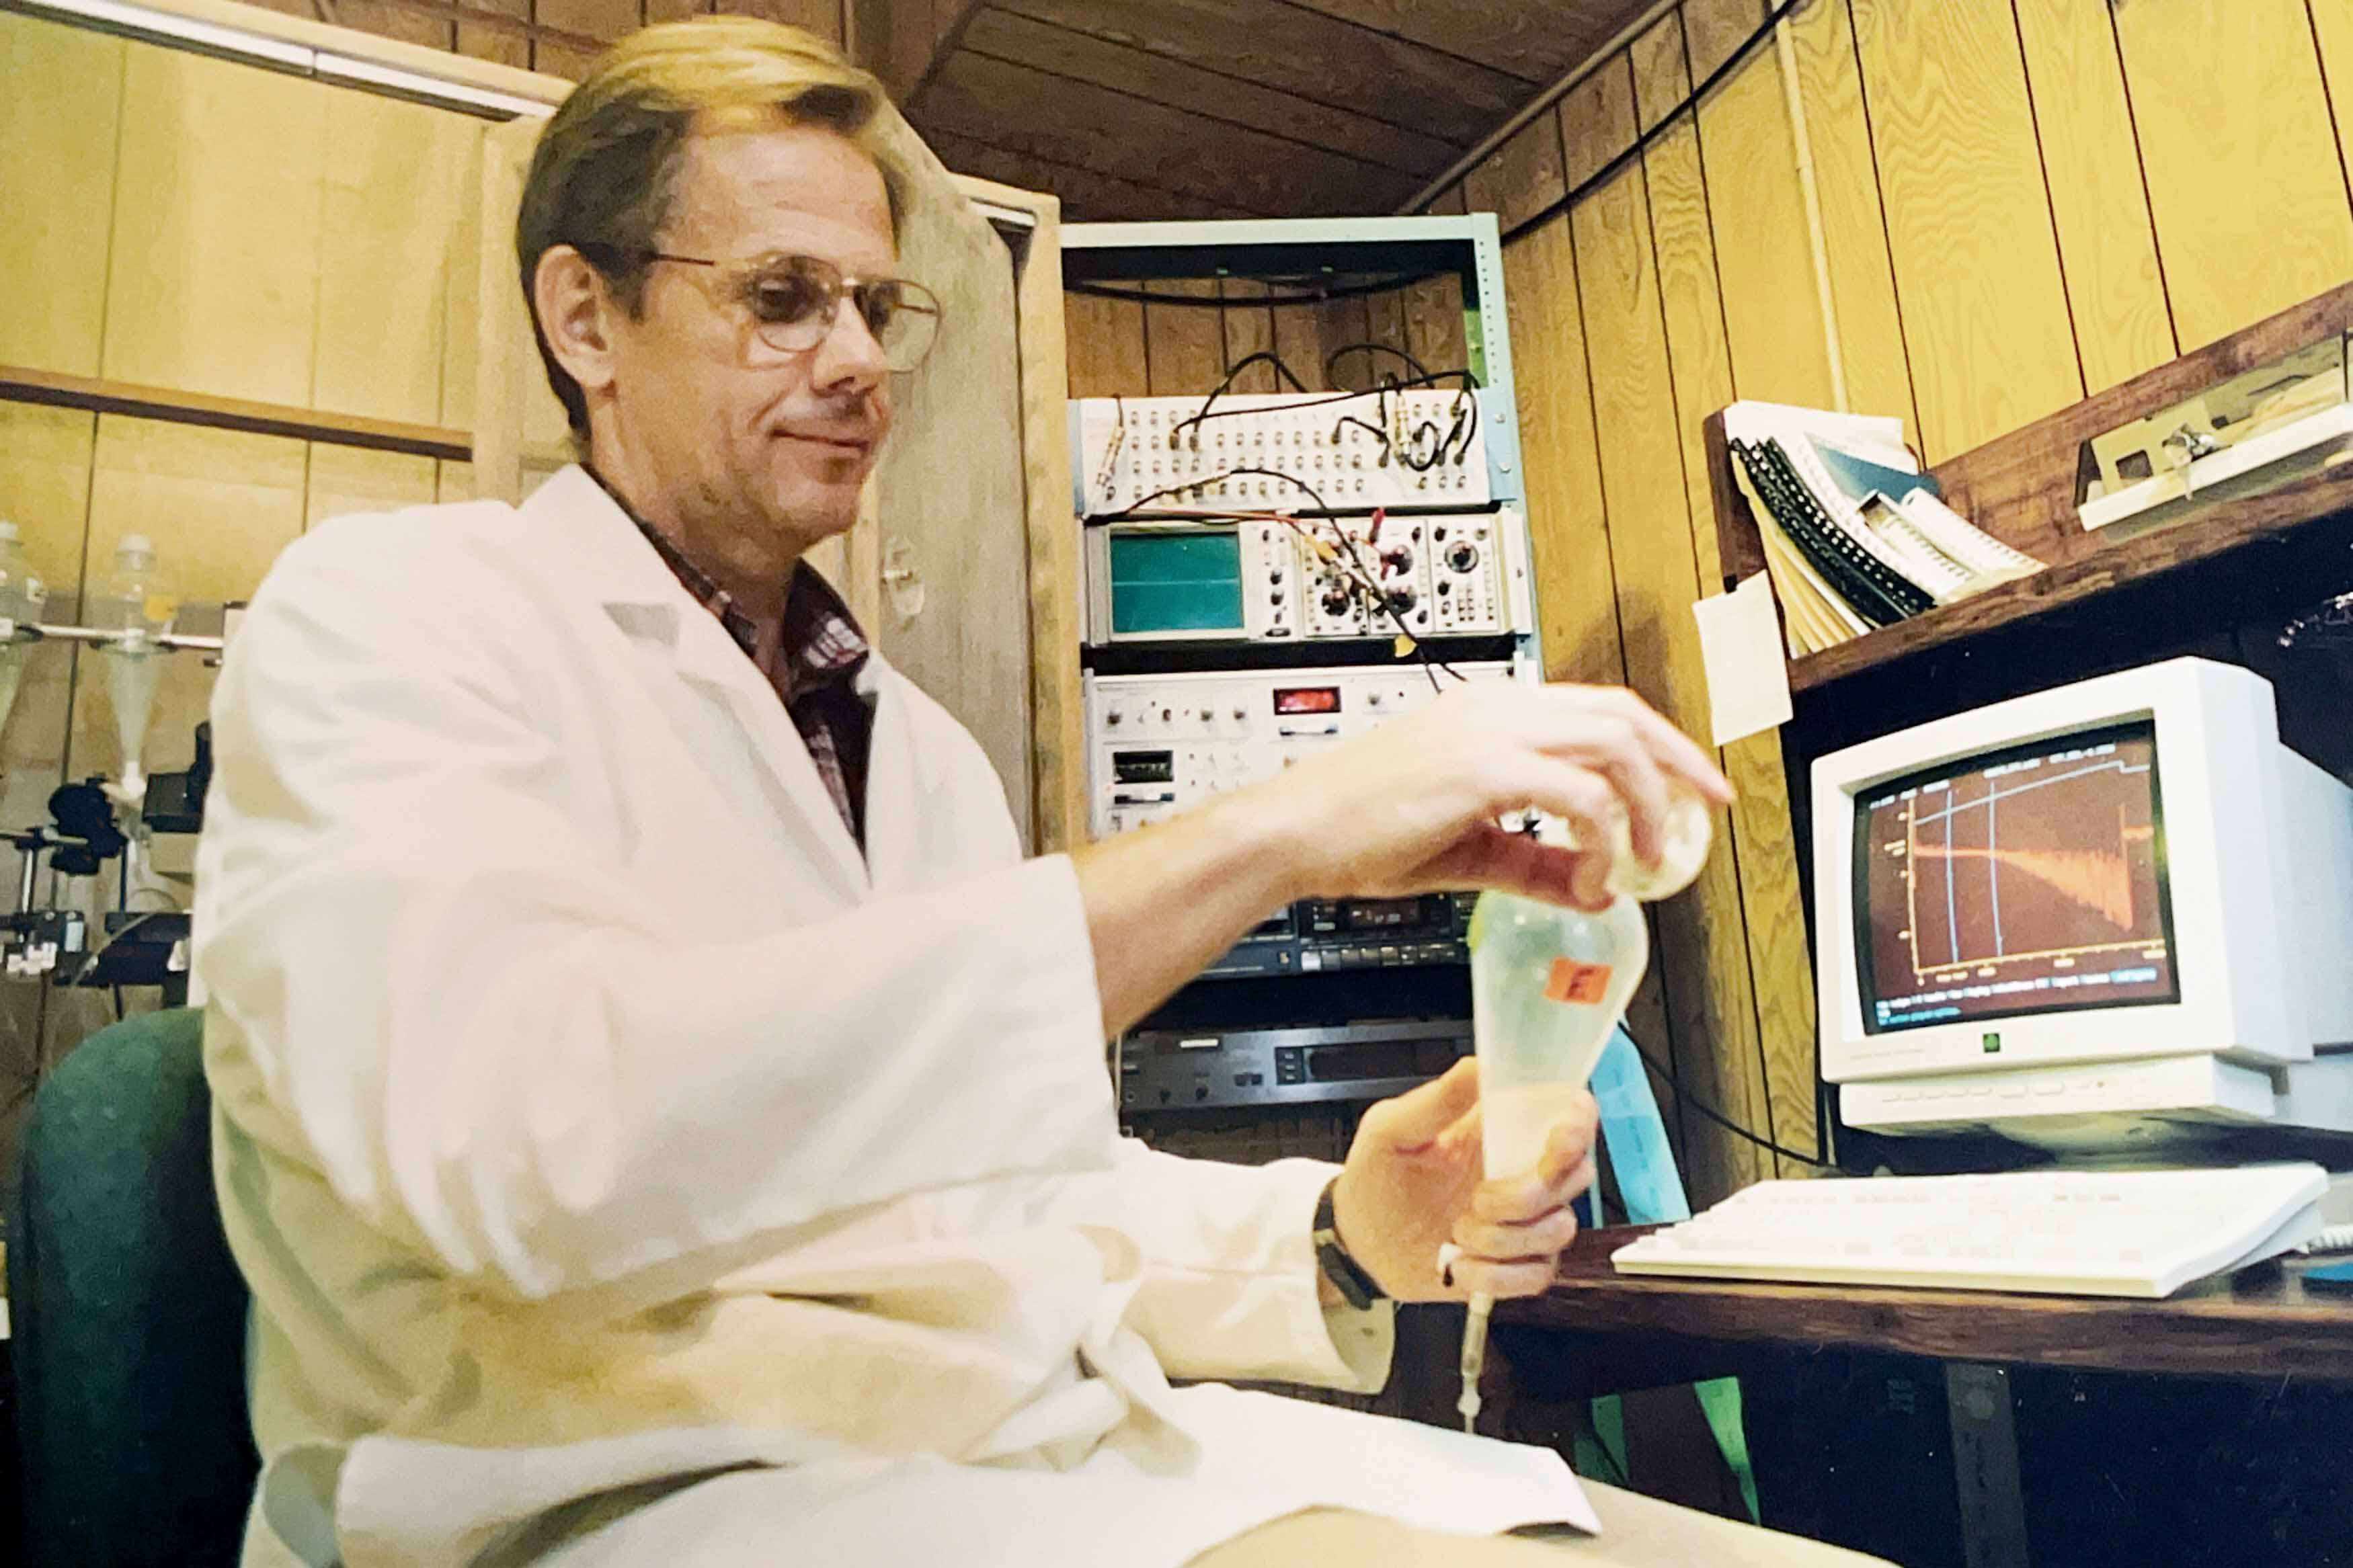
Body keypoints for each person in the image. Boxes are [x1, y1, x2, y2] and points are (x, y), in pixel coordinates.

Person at [194, 18, 1881, 1568]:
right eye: (782, 297)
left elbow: (1008, 1203)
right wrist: (1275, 833)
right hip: (637, 1508)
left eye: (874, 304)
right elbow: (533, 1154)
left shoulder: (902, 742)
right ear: (587, 318)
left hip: (1017, 1480)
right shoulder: (392, 622)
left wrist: (1343, 1231)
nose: (857, 358)